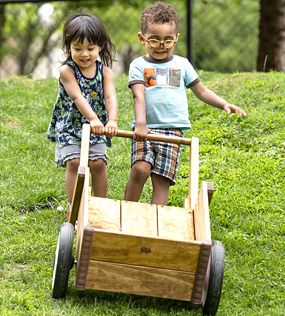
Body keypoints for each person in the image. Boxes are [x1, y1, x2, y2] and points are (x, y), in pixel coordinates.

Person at [124, 1, 246, 206]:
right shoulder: (138, 65)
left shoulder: (182, 64)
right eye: (154, 40)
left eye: (168, 40)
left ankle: (156, 226)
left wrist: (224, 104)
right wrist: (141, 124)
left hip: (173, 132)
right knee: (140, 169)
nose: (161, 46)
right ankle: (125, 213)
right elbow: (139, 96)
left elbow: (202, 91)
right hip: (146, 128)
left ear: (176, 38)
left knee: (162, 180)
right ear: (142, 38)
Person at [46, 11, 118, 214]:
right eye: (77, 48)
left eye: (90, 48)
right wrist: (93, 118)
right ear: (69, 47)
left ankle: (100, 207)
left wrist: (111, 120)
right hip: (71, 125)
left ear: (100, 46)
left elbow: (111, 97)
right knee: (75, 162)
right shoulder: (66, 72)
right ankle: (75, 207)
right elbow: (78, 98)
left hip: (97, 128)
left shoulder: (105, 72)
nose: (84, 54)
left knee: (98, 164)